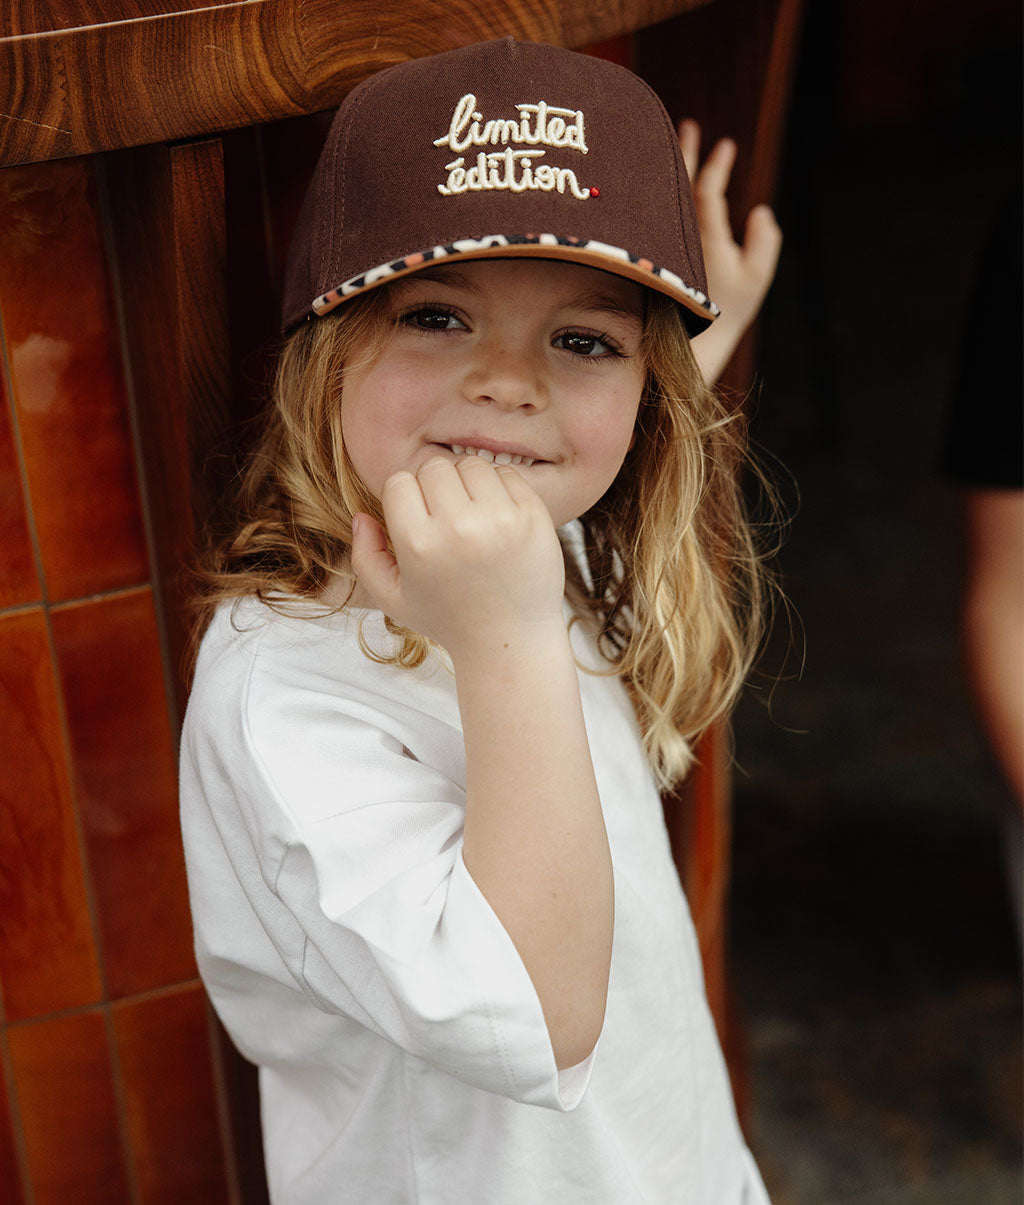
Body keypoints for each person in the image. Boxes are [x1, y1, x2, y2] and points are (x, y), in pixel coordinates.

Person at [179, 38, 781, 1203]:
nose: (511, 381)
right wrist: (506, 638)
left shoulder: (525, 532)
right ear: (326, 345)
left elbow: (590, 440)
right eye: (439, 316)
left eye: (584, 339)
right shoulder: (285, 687)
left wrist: (701, 332)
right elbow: (538, 1019)